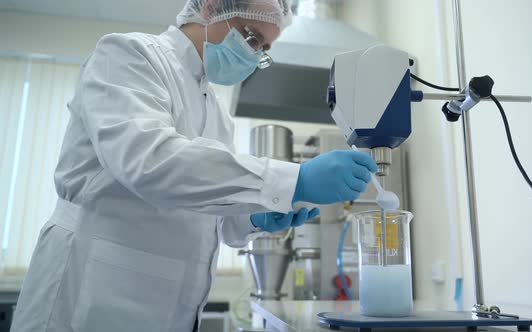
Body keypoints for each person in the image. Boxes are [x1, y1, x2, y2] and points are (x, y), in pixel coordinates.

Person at [11, 0, 377, 331]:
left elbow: (205, 211)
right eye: (252, 37)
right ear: (211, 6)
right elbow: (151, 162)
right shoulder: (129, 55)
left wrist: (254, 217)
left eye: (263, 50)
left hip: (164, 307)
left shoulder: (215, 112)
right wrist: (294, 179)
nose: (254, 55)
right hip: (88, 292)